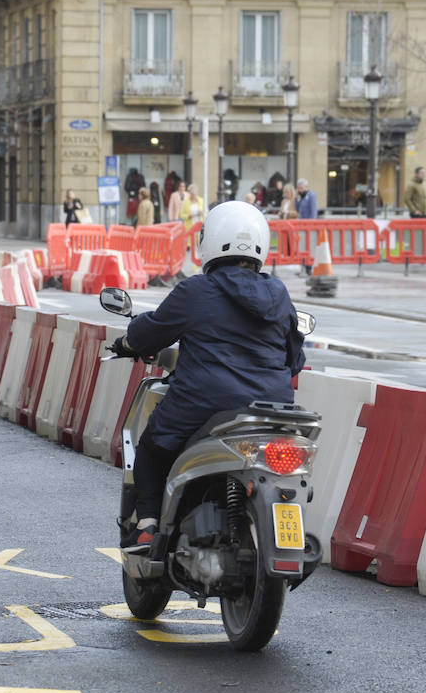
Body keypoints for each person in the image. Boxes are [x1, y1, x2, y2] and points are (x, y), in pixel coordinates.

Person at [112, 201, 305, 549]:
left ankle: (149, 525)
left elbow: (152, 331)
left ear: (209, 241)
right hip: (269, 409)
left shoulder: (197, 290)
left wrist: (128, 340)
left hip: (202, 403)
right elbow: (295, 358)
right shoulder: (278, 293)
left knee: (153, 448)